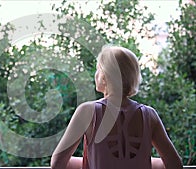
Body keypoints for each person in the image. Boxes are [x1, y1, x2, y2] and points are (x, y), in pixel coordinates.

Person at [51, 45, 182, 169]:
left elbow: (57, 163)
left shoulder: (87, 112)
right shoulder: (149, 114)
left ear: (104, 76)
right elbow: (175, 164)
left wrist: (93, 160)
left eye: (98, 69)